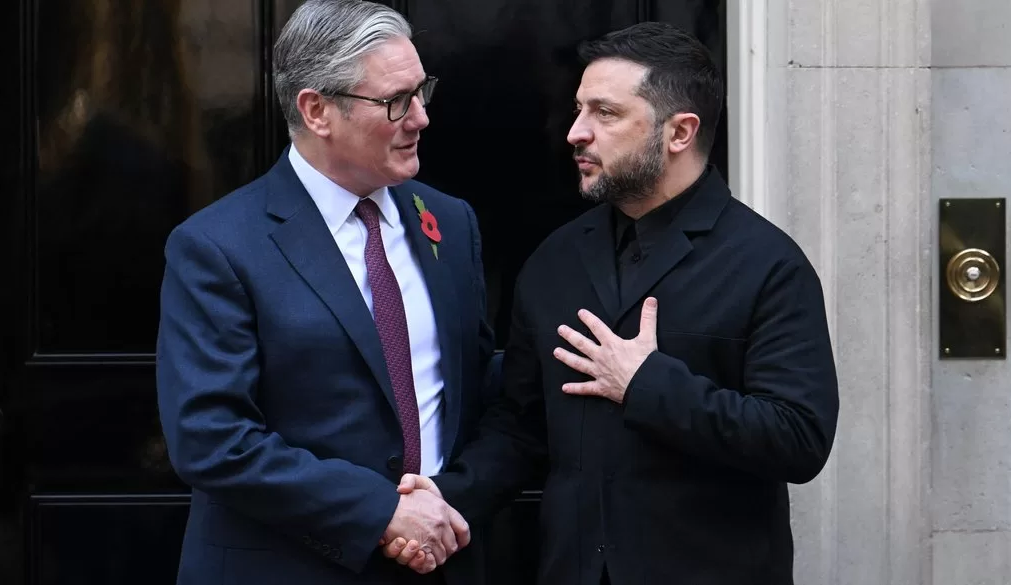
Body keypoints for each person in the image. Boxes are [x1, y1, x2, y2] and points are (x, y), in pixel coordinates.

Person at [389, 21, 840, 585]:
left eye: (605, 113)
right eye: (579, 110)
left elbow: (799, 439)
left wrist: (648, 384)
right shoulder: (555, 261)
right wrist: (444, 499)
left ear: (679, 132)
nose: (576, 131)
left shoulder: (768, 264)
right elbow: (522, 428)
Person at [155, 1, 495, 583]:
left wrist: (443, 505)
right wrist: (381, 511)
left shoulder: (450, 222)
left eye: (421, 92)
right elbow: (211, 438)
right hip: (288, 565)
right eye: (396, 101)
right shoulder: (217, 245)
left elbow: (476, 386)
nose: (420, 118)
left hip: (441, 562)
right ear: (317, 110)